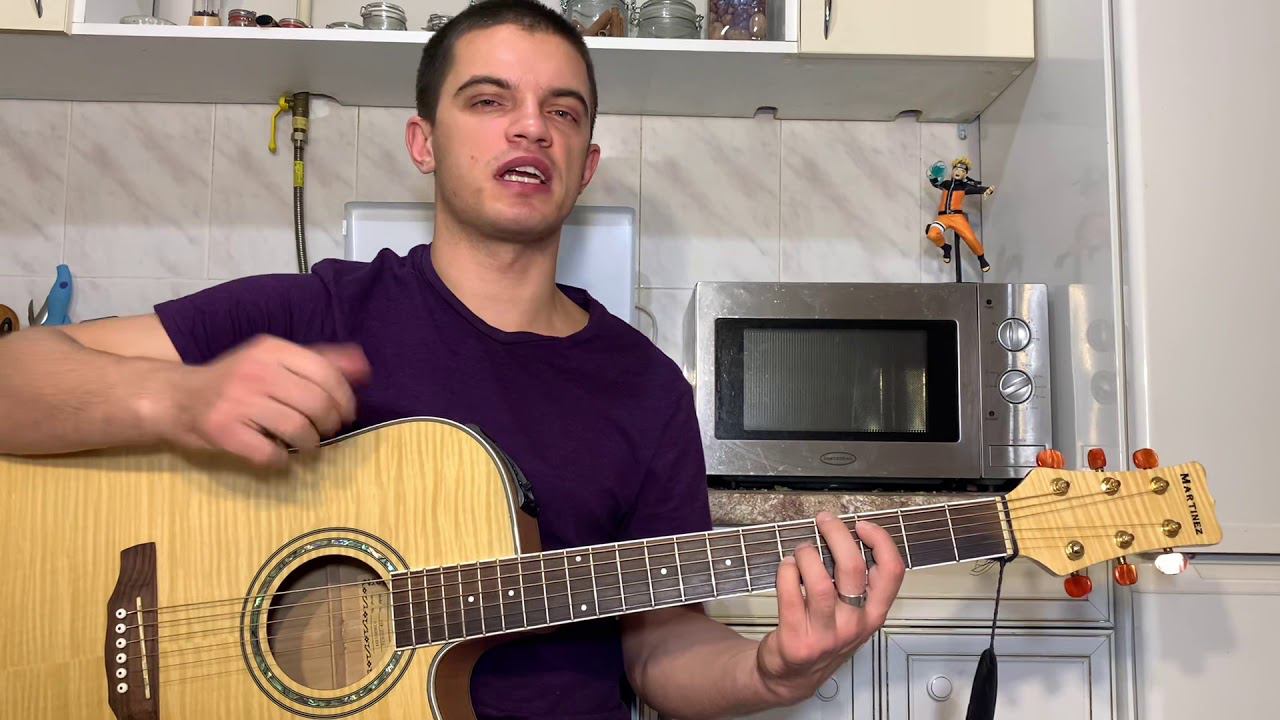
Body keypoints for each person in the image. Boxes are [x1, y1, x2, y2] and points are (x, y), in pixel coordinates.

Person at [0, 1, 904, 717]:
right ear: (423, 143)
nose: (531, 128)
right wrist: (179, 399)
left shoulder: (645, 387)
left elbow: (660, 645)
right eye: (488, 101)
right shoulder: (315, 310)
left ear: (585, 164)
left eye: (561, 111)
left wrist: (770, 673)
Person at [926, 155, 996, 272]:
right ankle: (946, 248)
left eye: (962, 171)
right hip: (942, 217)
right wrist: (932, 175)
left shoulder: (965, 186)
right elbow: (935, 183)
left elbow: (977, 189)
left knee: (970, 238)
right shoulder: (946, 184)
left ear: (965, 175)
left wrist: (987, 190)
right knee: (932, 235)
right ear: (952, 170)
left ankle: (981, 258)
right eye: (956, 169)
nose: (958, 172)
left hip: (957, 217)